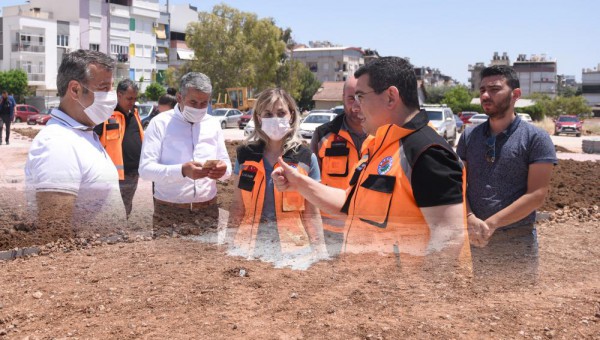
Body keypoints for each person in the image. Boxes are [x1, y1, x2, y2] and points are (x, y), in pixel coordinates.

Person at [272, 57, 470, 270]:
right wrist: (300, 184)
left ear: (391, 97)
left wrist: (418, 297)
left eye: (361, 96)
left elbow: (449, 236)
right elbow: (349, 205)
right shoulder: (377, 146)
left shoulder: (427, 152)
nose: (356, 106)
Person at [456, 65, 557, 279]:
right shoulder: (468, 136)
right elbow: (458, 183)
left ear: (516, 94)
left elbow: (536, 195)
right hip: (473, 241)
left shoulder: (536, 138)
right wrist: (470, 217)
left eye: (494, 89)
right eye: (482, 89)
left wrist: (491, 224)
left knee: (516, 307)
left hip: (516, 243)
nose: (485, 95)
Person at [24, 49, 126, 238]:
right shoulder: (58, 143)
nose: (111, 96)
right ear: (75, 90)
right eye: (104, 88)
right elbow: (54, 235)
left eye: (112, 87)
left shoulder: (83, 133)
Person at [228, 88, 326, 267]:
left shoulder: (305, 158)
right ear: (258, 118)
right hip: (249, 249)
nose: (275, 119)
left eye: (281, 113)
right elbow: (237, 206)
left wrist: (320, 250)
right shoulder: (244, 156)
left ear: (291, 116)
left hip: (294, 252)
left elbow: (311, 212)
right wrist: (229, 243)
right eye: (268, 114)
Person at [139, 72, 232, 238]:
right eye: (193, 102)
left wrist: (222, 171)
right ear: (180, 98)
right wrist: (182, 171)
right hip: (169, 212)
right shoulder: (159, 123)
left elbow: (226, 166)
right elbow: (146, 170)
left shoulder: (213, 124)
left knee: (206, 263)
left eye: (204, 103)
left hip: (207, 211)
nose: (198, 108)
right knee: (169, 262)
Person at [309, 75, 367, 256]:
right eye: (351, 98)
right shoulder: (323, 135)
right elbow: (311, 184)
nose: (356, 105)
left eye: (362, 98)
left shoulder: (385, 135)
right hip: (332, 234)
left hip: (372, 233)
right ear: (342, 99)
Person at [94, 79, 143, 217]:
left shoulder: (135, 114)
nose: (132, 102)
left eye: (134, 98)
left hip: (133, 172)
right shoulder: (106, 115)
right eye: (129, 98)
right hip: (113, 175)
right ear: (119, 95)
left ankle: (122, 231)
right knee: (110, 208)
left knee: (126, 206)